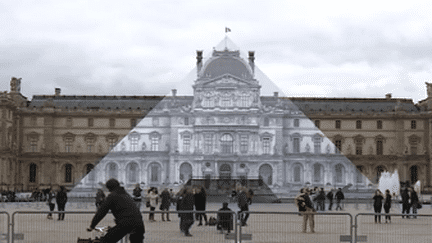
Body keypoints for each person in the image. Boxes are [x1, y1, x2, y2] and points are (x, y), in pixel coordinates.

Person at [87, 179, 145, 243]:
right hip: (139, 223)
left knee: (106, 240)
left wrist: (92, 226)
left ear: (109, 188)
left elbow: (101, 212)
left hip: (125, 224)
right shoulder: (126, 194)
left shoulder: (112, 196)